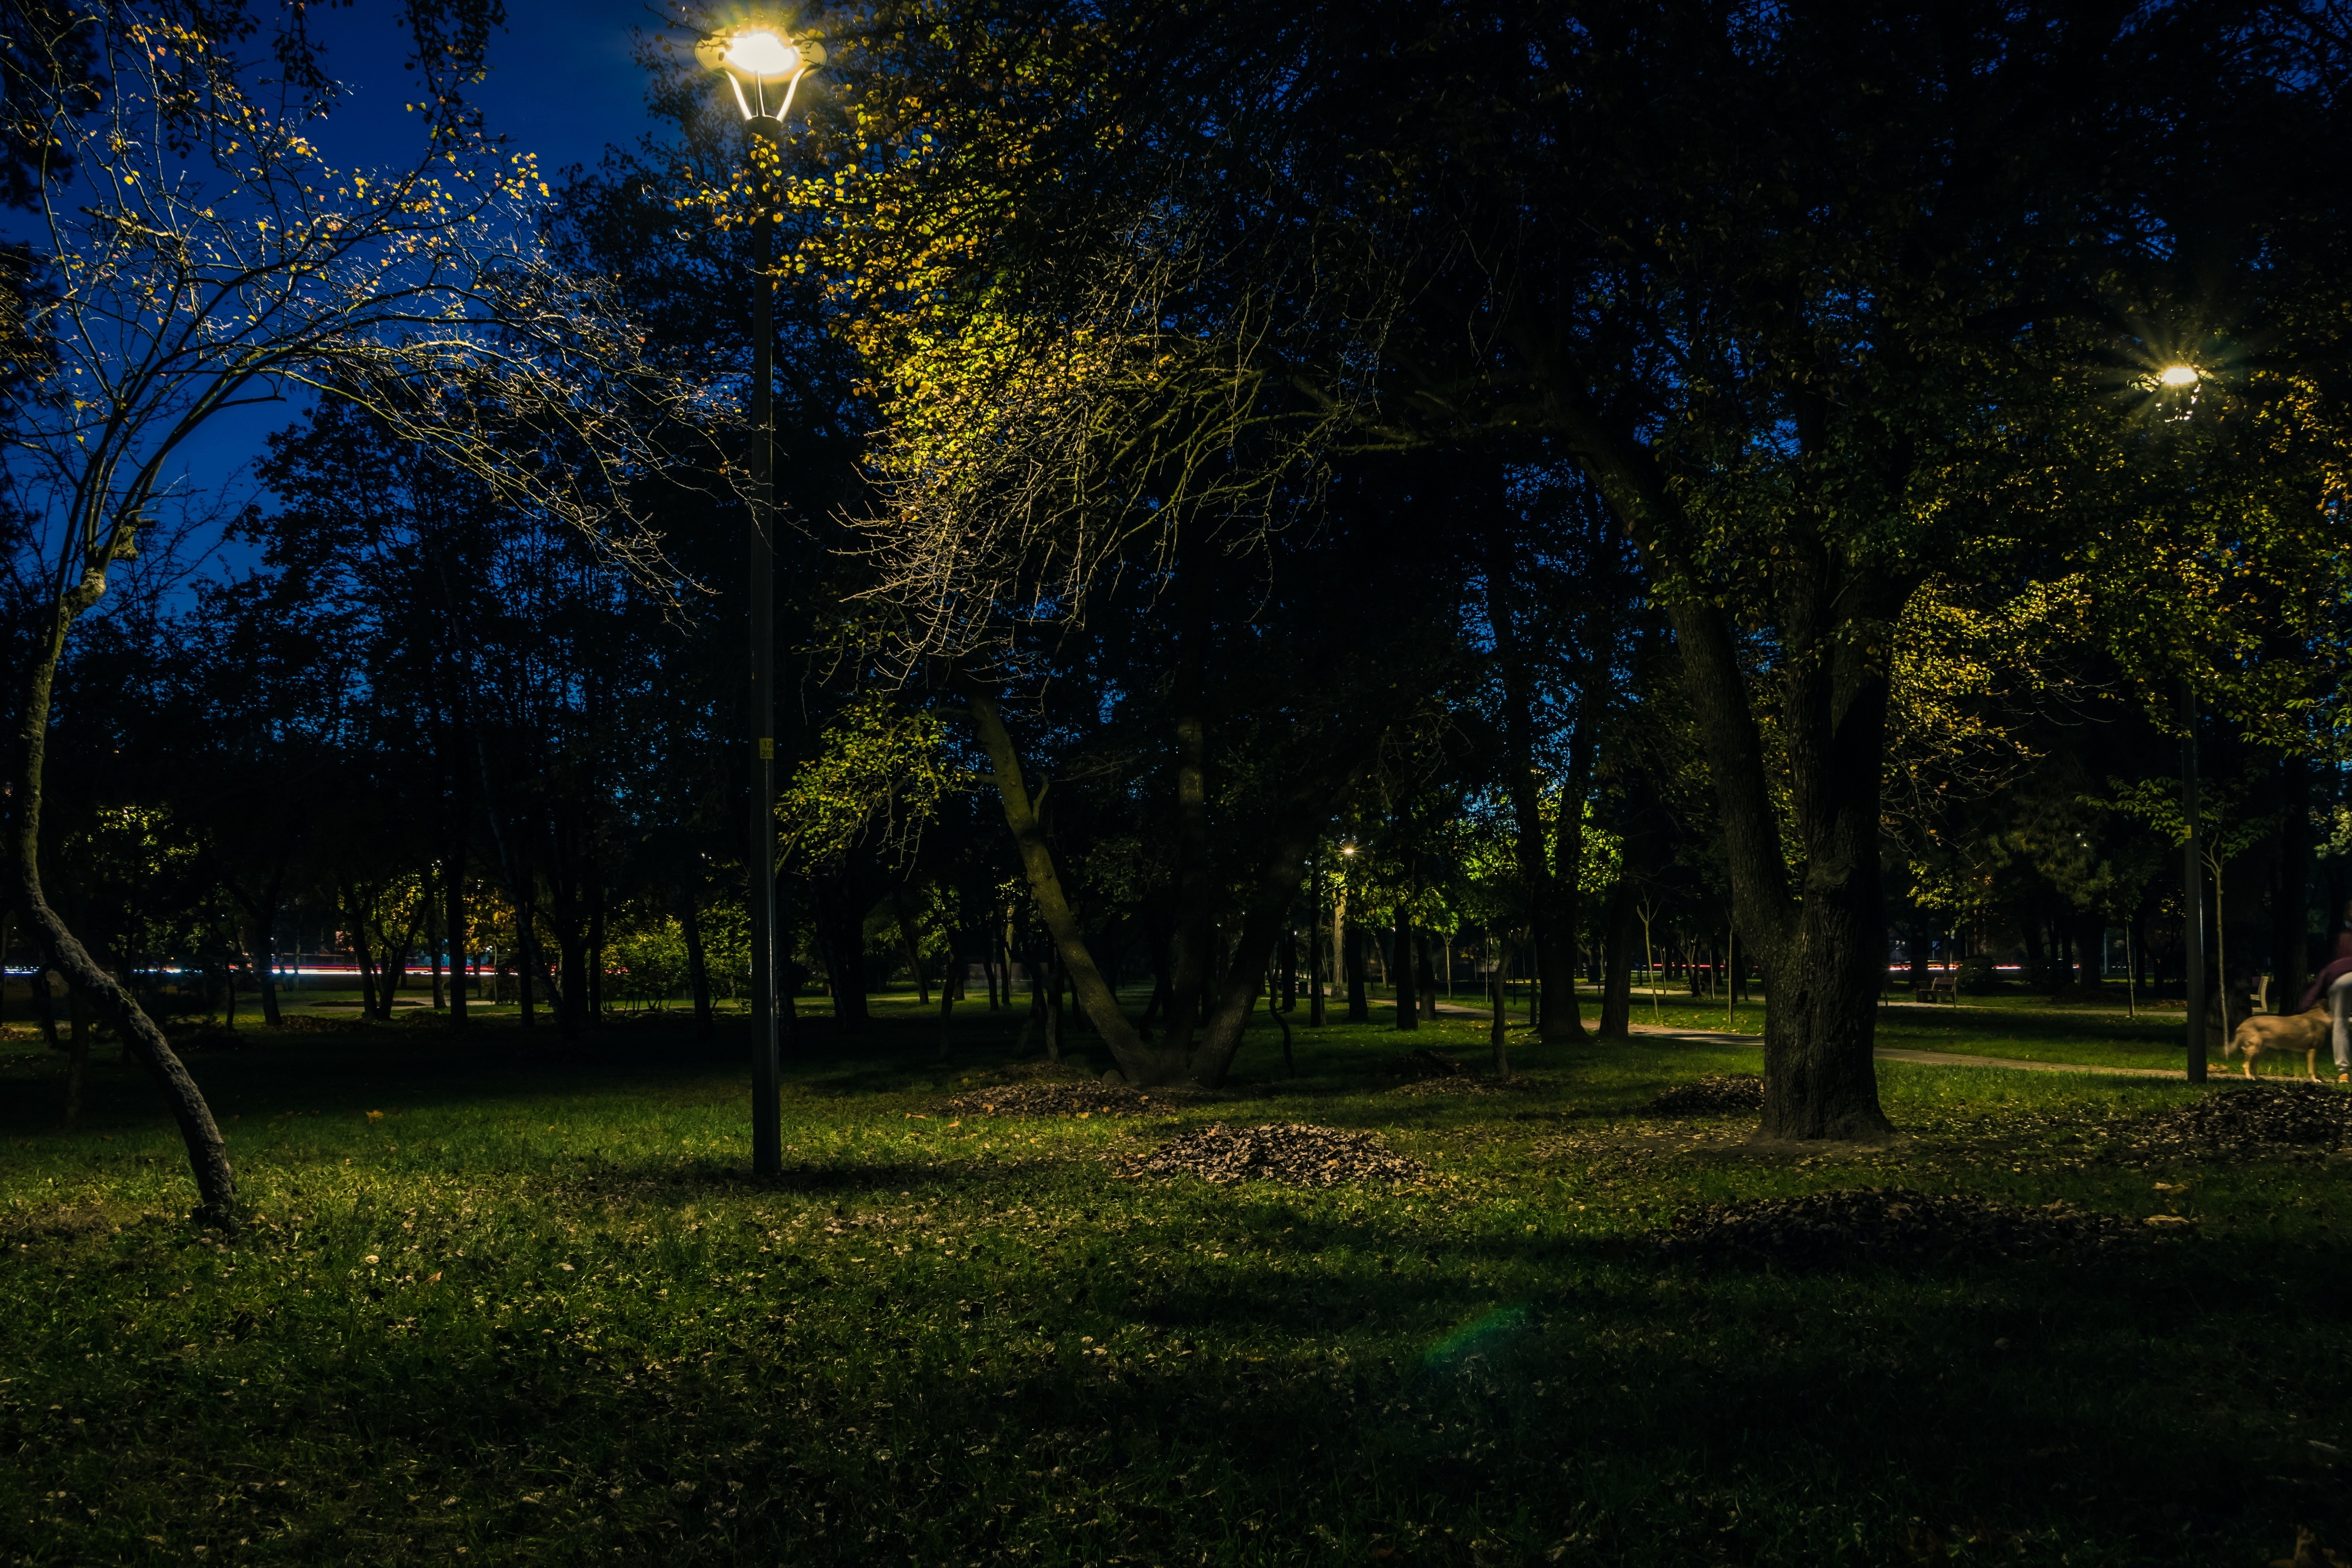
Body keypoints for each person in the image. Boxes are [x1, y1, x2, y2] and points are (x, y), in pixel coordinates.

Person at [2303, 902, 2352, 1085]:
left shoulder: (2341, 939)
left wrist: (2310, 1001)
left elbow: (2334, 965)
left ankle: (2343, 1072)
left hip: (2342, 981)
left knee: (2340, 1022)